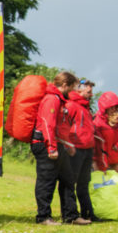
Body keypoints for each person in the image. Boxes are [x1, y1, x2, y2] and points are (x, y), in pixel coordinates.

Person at [31, 71, 89, 225]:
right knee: (46, 181)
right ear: (64, 85)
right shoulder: (51, 99)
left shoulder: (59, 100)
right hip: (45, 145)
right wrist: (51, 148)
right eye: (72, 87)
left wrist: (67, 145)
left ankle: (71, 216)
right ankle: (43, 217)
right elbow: (47, 124)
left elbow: (61, 127)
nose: (73, 91)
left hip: (58, 144)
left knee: (68, 180)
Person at [65, 79, 97, 221]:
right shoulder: (71, 105)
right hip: (75, 148)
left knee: (84, 183)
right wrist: (68, 145)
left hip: (87, 148)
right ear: (79, 89)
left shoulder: (86, 107)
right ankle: (71, 214)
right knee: (70, 182)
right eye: (89, 91)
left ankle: (88, 213)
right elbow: (64, 126)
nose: (91, 94)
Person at [94, 91, 118, 173]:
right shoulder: (97, 123)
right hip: (102, 163)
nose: (113, 110)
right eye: (111, 107)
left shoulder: (116, 121)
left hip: (115, 161)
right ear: (105, 108)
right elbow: (98, 146)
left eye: (115, 107)